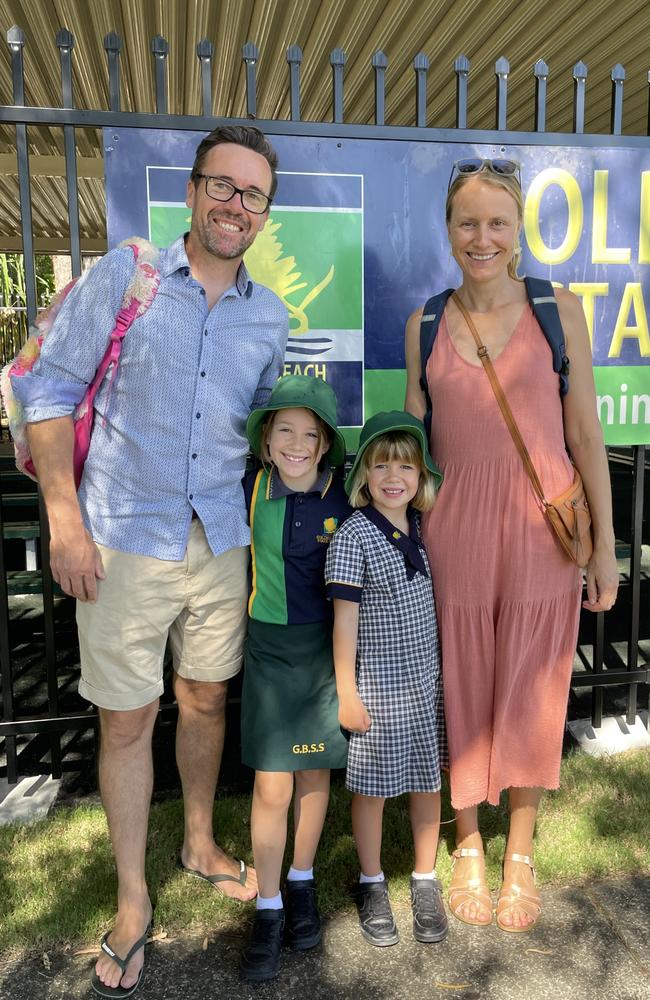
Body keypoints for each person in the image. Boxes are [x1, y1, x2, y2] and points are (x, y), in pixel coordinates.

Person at [12, 125, 289, 996]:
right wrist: (64, 519)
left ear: (265, 212)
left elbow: (271, 436)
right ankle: (134, 901)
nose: (235, 205)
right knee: (126, 720)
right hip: (122, 538)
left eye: (252, 195)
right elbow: (46, 390)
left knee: (205, 699)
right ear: (192, 190)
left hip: (220, 542)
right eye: (222, 185)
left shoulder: (270, 316)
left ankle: (198, 841)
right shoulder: (127, 273)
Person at [404, 158, 619, 933]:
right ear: (449, 231)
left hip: (542, 535)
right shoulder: (425, 322)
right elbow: (411, 451)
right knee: (460, 681)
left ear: (519, 229)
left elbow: (587, 434)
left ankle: (519, 853)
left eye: (498, 222)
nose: (482, 237)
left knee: (532, 685)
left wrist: (605, 547)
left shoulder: (559, 311)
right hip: (453, 535)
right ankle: (467, 843)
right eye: (468, 223)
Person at [237, 374, 351, 982]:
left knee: (313, 772)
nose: (298, 443)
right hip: (270, 651)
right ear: (266, 440)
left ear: (327, 443)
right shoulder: (252, 487)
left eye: (311, 433)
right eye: (285, 430)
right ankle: (269, 904)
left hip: (324, 651)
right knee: (271, 786)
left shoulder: (346, 494)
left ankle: (302, 882)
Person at [325, 411, 447, 948]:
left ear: (421, 476)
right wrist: (347, 693)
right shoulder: (354, 535)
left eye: (406, 465)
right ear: (364, 476)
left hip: (423, 688)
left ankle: (425, 878)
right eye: (381, 465)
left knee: (427, 781)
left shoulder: (420, 529)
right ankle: (372, 881)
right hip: (376, 689)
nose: (394, 476)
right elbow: (344, 624)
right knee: (372, 791)